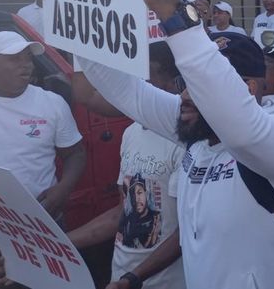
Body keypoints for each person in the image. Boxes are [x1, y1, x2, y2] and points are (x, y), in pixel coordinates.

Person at [79, 0, 274, 289]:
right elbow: (122, 88)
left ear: (247, 89)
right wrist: (68, 11)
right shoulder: (195, 131)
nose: (183, 94)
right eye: (186, 81)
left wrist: (170, 8)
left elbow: (236, 123)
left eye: (198, 84)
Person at [0, 31, 86, 289]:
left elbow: (75, 153)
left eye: (28, 57)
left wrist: (63, 188)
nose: (26, 64)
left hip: (39, 236)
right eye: (14, 58)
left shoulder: (51, 103)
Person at [65, 41, 185, 289]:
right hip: (121, 276)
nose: (141, 81)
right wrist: (57, 242)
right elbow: (122, 213)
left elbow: (186, 233)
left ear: (175, 82)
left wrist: (135, 277)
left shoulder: (185, 142)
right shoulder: (131, 133)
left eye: (150, 73)